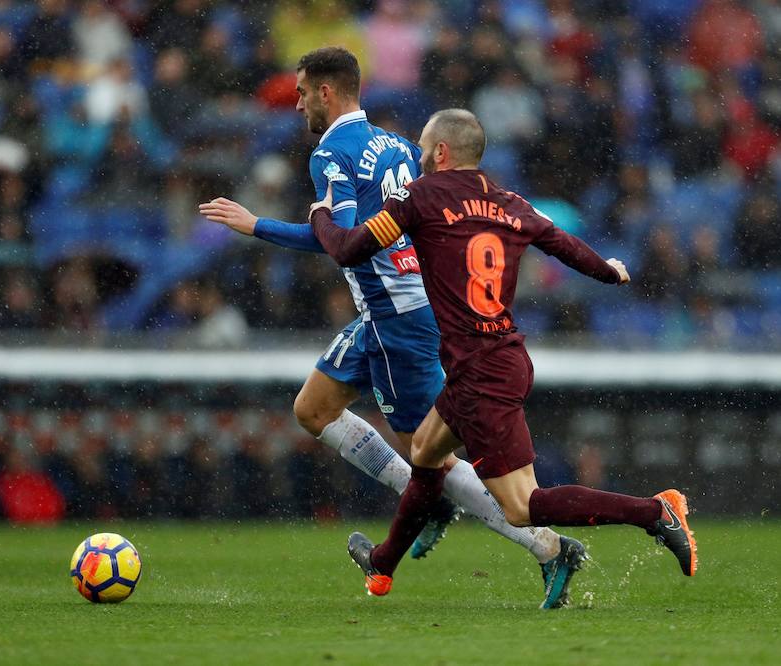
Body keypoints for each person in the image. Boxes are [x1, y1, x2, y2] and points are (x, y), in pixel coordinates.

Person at [200, 47, 584, 608]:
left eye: (303, 92)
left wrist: (256, 225)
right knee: (313, 409)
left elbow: (342, 242)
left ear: (327, 93)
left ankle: (547, 547)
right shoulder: (399, 145)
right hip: (395, 308)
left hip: (395, 318)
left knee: (432, 457)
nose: (299, 103)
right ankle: (422, 498)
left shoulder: (330, 152)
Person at [307, 108, 698, 598]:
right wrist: (609, 271)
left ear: (442, 152)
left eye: (425, 151)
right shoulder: (510, 203)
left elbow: (348, 249)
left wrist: (321, 213)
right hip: (498, 355)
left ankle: (654, 512)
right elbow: (562, 244)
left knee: (523, 506)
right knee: (425, 453)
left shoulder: (419, 196)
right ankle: (383, 564)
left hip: (481, 372)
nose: (420, 159)